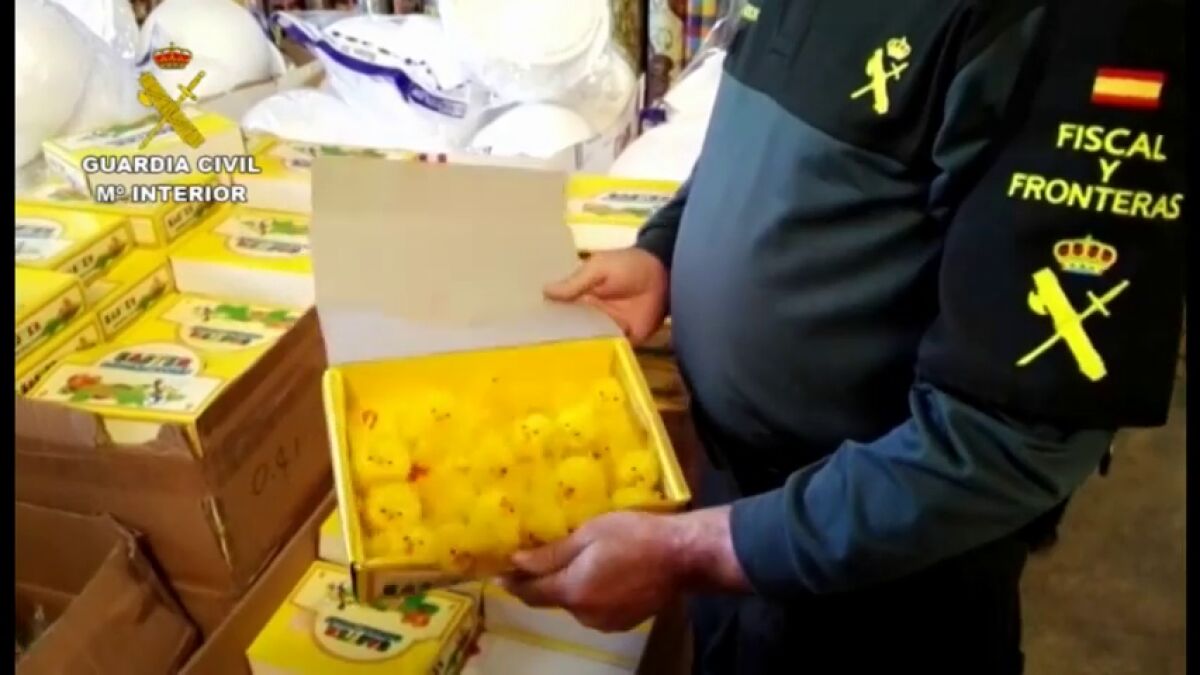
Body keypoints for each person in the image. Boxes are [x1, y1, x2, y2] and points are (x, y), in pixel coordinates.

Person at [502, 0, 1186, 672]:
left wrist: (700, 549)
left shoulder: (1073, 25)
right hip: (737, 514)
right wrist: (667, 247)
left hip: (881, 572)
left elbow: (1020, 433)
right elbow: (764, 131)